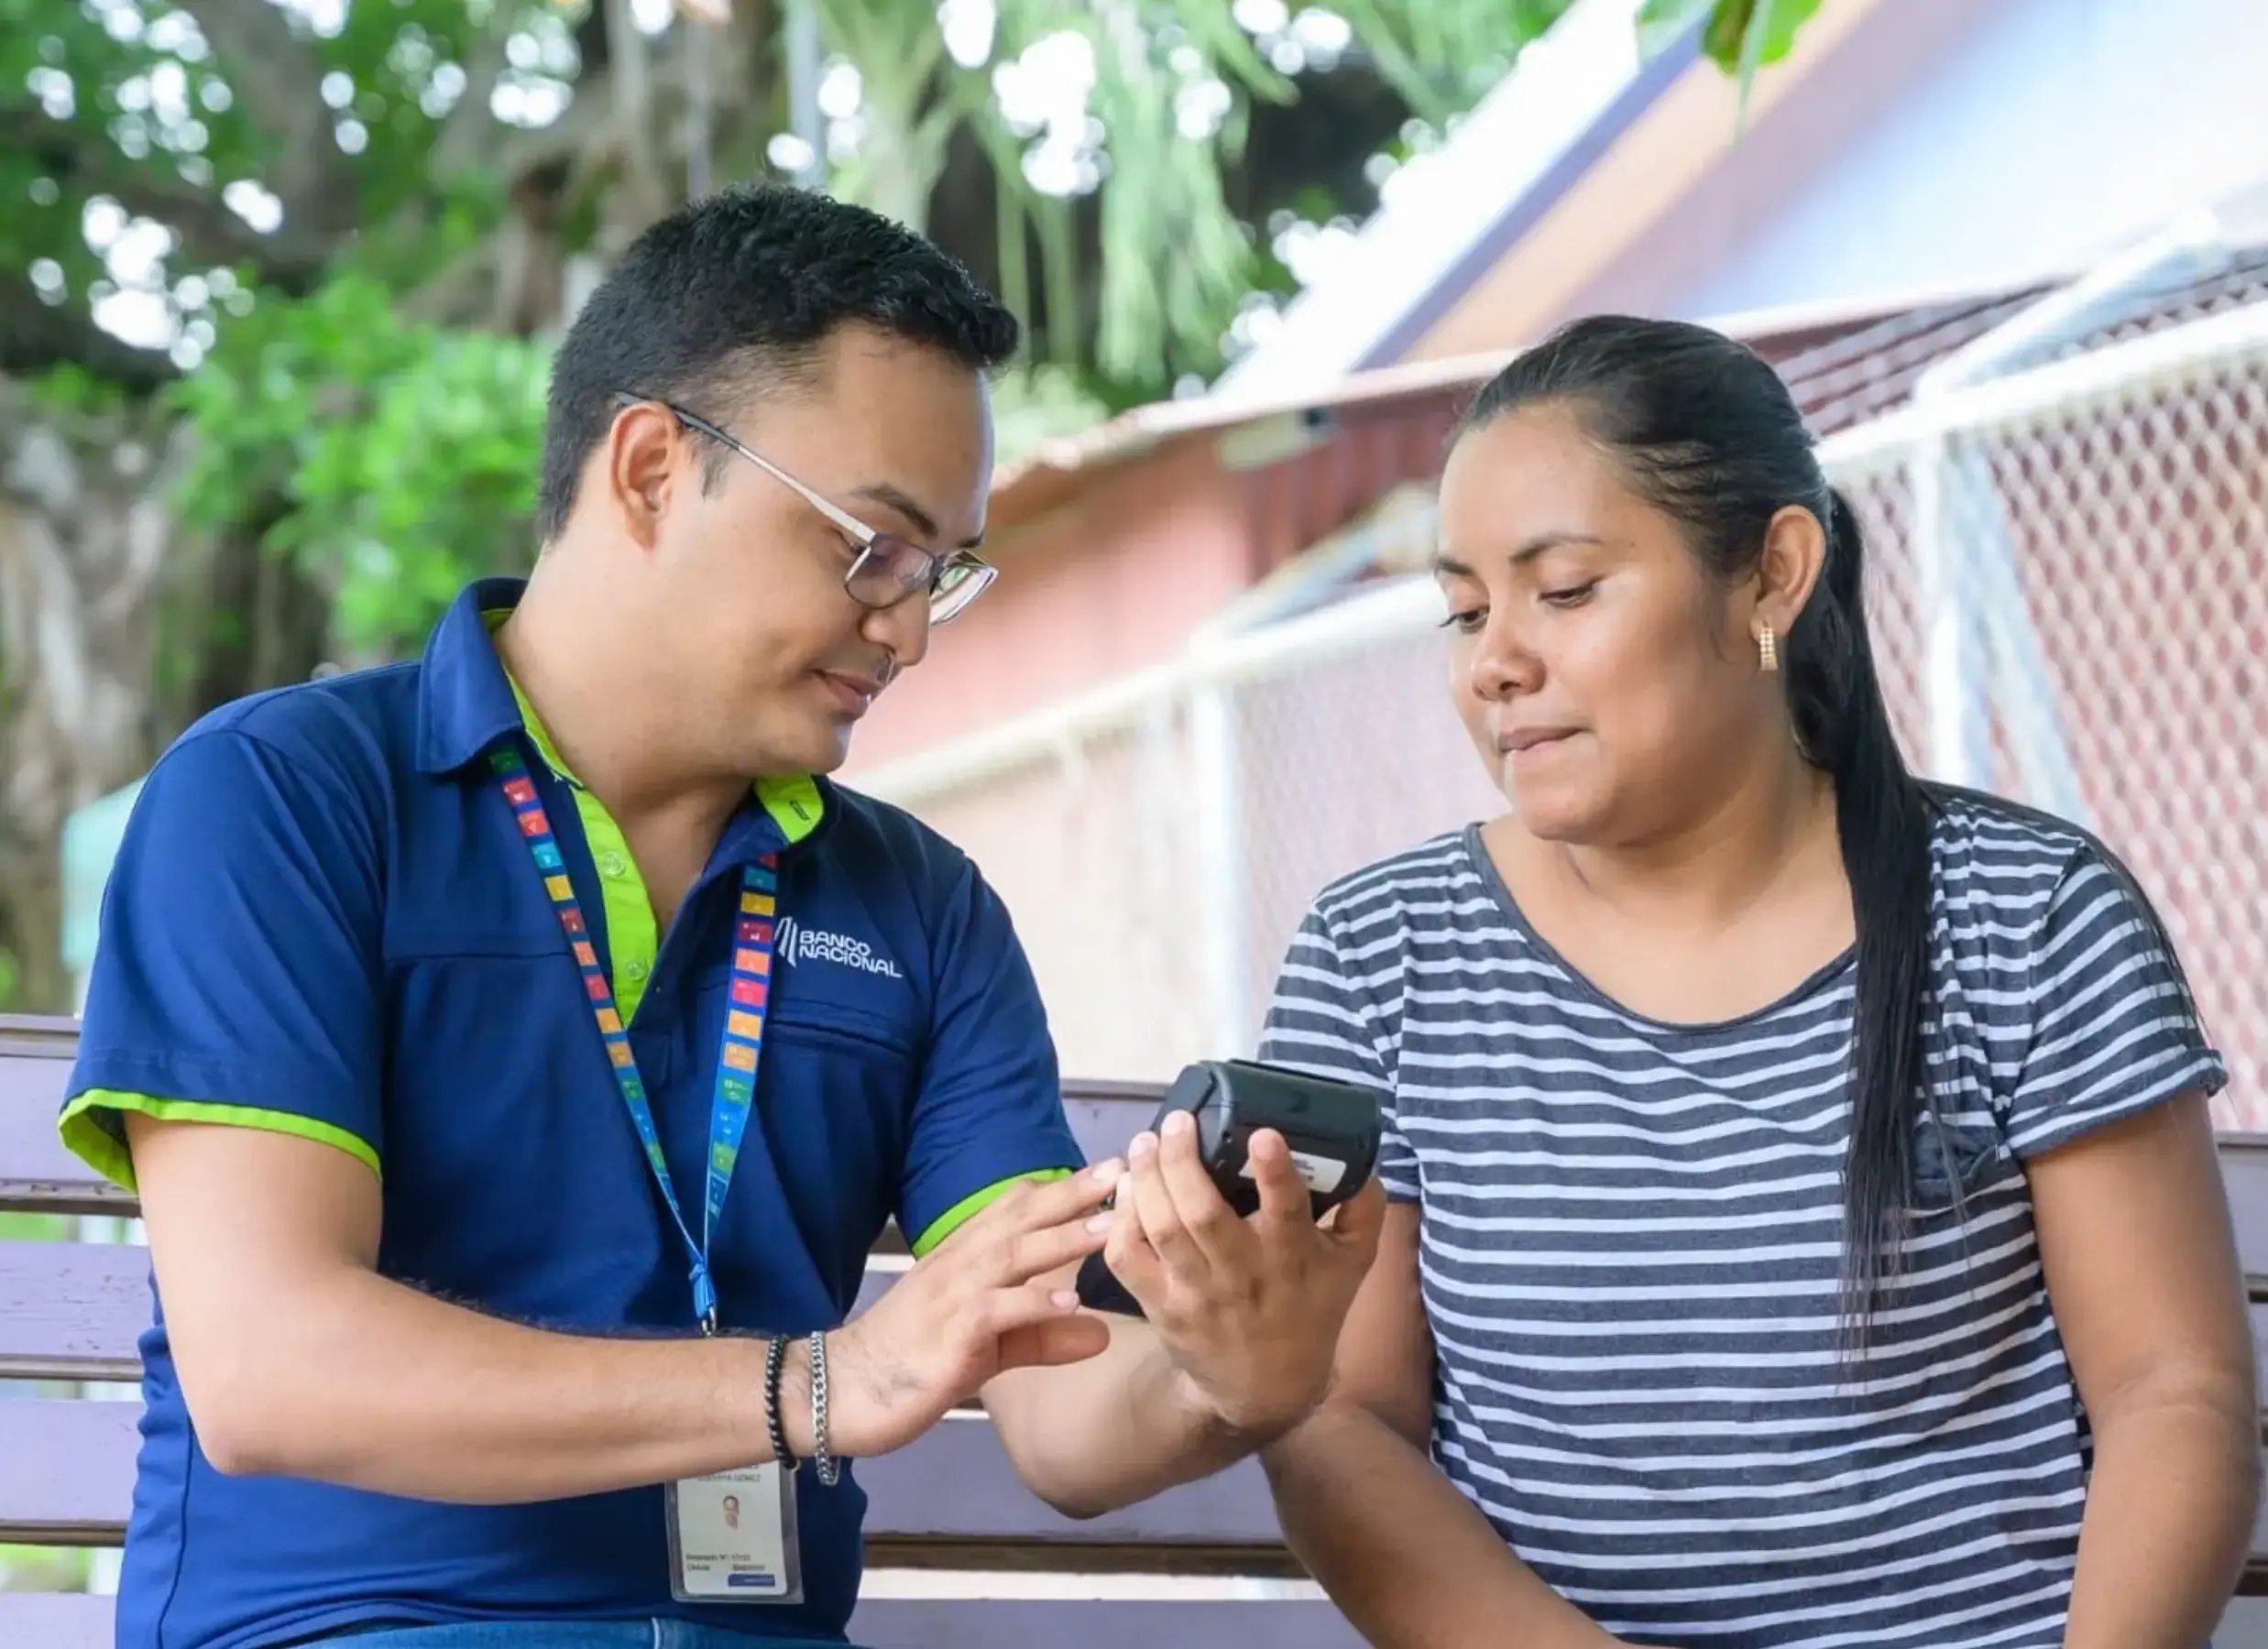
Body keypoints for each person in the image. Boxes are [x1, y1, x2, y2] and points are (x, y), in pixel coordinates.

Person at [58, 183, 1382, 1649]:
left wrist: (1227, 1378)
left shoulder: (922, 908)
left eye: (942, 570)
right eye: (868, 546)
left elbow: (1062, 1412)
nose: (912, 627)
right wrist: (819, 1385)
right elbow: (272, 1367)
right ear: (645, 469)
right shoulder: (282, 800)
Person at [1255, 314, 2259, 1649]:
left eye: (1562, 591)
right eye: (1463, 609)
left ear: (1773, 574)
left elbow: (2170, 1391)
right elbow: (1341, 1416)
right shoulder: (1381, 957)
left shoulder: (2027, 915)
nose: (1495, 659)